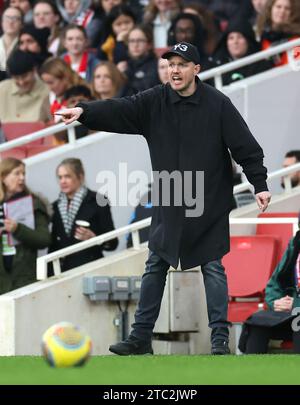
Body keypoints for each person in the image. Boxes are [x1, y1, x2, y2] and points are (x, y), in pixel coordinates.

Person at [58, 41, 271, 356]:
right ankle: (141, 338)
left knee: (212, 266)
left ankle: (219, 342)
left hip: (208, 200)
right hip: (170, 199)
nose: (175, 70)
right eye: (171, 64)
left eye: (182, 64)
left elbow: (245, 147)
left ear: (196, 69)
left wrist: (260, 183)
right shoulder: (154, 100)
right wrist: (84, 111)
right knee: (155, 264)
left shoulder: (218, 103)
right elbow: (121, 108)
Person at [50, 158, 118, 272]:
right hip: (64, 273)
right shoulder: (55, 207)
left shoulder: (98, 201)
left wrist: (94, 238)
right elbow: (54, 246)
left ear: (80, 176)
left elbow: (113, 243)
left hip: (92, 268)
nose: (63, 181)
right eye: (60, 177)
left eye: (67, 176)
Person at [239, 227, 300, 354]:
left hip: (296, 313)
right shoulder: (295, 244)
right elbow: (274, 284)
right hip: (291, 312)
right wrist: (276, 302)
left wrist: (295, 304)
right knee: (258, 322)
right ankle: (251, 371)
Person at [0, 157, 51, 295]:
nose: (22, 178)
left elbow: (44, 240)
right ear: (3, 176)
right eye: (17, 173)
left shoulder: (34, 203)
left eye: (24, 174)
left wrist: (18, 229)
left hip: (24, 278)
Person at [0, 49, 51, 124]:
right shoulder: (2, 89)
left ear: (34, 70)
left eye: (25, 76)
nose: (21, 82)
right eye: (16, 78)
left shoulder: (47, 90)